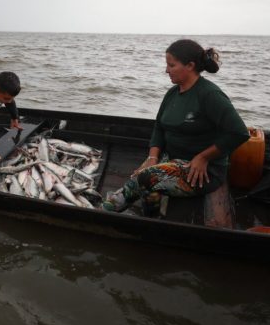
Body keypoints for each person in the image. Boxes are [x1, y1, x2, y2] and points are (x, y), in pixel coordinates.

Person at [102, 39, 249, 216]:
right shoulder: (172, 93)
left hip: (202, 171)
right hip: (171, 158)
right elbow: (159, 127)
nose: (166, 70)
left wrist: (203, 157)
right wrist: (152, 157)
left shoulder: (210, 95)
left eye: (171, 65)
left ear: (190, 65)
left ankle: (150, 221)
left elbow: (239, 132)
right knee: (137, 178)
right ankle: (105, 210)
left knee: (146, 179)